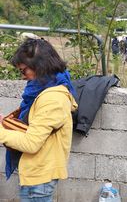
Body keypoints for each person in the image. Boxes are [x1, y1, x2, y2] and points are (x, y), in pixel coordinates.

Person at [0, 38, 77, 201]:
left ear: (40, 66)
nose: (22, 77)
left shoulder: (53, 99)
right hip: (35, 174)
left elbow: (31, 143)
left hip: (39, 180)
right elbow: (32, 126)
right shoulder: (41, 90)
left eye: (24, 71)